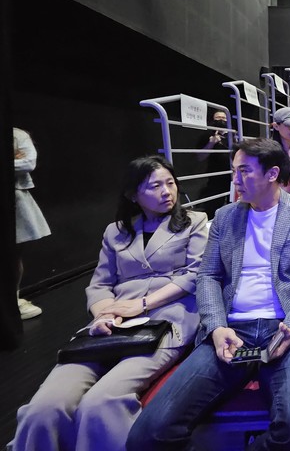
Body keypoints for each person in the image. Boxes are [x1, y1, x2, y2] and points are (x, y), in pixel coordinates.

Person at [127, 139, 290, 451]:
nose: (236, 179)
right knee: (148, 433)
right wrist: (217, 327)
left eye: (244, 171)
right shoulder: (225, 216)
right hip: (231, 328)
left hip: (286, 326)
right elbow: (208, 275)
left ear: (272, 174)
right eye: (234, 171)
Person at [15, 156, 207, 451]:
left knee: (101, 402)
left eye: (170, 183)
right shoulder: (115, 231)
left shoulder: (194, 222)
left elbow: (195, 275)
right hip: (112, 321)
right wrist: (104, 314)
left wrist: (142, 304)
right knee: (43, 408)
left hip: (167, 318)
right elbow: (100, 284)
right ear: (133, 195)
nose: (167, 191)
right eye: (155, 186)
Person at [13, 128, 51, 320]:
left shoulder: (17, 135)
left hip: (15, 199)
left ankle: (13, 299)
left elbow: (28, 162)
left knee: (13, 254)